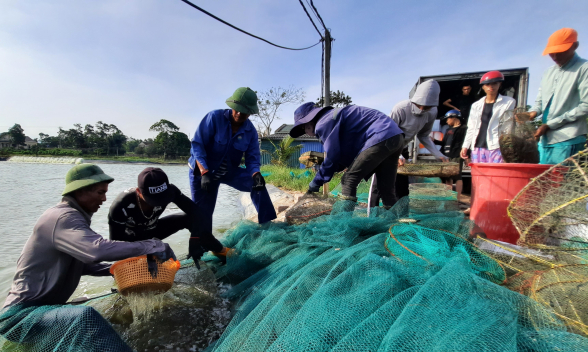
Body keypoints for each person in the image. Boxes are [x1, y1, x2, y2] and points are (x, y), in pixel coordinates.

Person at [2, 163, 175, 352]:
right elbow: (96, 249)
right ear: (80, 191)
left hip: (44, 313)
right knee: (84, 317)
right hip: (22, 317)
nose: (104, 199)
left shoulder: (74, 217)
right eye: (100, 192)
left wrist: (121, 271)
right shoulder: (63, 217)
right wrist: (152, 245)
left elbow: (85, 265)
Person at [189, 87, 277, 232]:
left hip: (228, 171)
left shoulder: (251, 132)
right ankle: (200, 246)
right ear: (231, 107)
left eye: (244, 112)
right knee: (202, 213)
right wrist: (204, 172)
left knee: (258, 186)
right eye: (236, 109)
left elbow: (253, 157)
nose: (239, 114)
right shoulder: (214, 118)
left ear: (251, 112)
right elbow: (197, 145)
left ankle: (268, 226)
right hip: (203, 173)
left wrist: (256, 174)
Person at [289, 102, 404, 208]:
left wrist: (317, 181)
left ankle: (346, 222)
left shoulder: (323, 123)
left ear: (309, 121)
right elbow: (342, 154)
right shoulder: (334, 116)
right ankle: (393, 223)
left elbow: (332, 156)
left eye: (304, 128)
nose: (307, 133)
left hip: (380, 136)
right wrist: (335, 168)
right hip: (396, 137)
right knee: (386, 189)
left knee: (349, 179)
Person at [109, 167, 231, 266]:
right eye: (152, 201)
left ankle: (219, 250)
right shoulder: (122, 205)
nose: (158, 204)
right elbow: (115, 245)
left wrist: (194, 240)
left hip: (152, 231)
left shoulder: (171, 191)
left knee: (188, 219)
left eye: (162, 199)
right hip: (131, 240)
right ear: (139, 192)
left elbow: (197, 213)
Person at [369, 80, 448, 208]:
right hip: (385, 147)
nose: (422, 109)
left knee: (401, 185)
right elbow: (388, 134)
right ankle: (372, 214)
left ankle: (402, 215)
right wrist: (397, 156)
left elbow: (423, 135)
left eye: (426, 107)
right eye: (419, 105)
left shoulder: (432, 112)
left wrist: (438, 155)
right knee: (379, 184)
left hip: (402, 148)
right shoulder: (401, 108)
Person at [528, 28, 588, 165]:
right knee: (541, 183)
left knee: (561, 183)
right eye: (551, 53)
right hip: (545, 140)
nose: (555, 56)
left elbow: (585, 105)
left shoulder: (584, 68)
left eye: (560, 52)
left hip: (568, 139)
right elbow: (540, 102)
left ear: (575, 46)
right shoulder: (548, 72)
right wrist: (534, 112)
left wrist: (550, 125)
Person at [460, 71, 517, 163]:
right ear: (483, 86)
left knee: (496, 174)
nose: (491, 86)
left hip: (496, 146)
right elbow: (471, 127)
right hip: (477, 146)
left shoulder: (508, 102)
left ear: (500, 84)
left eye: (495, 83)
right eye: (487, 84)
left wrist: (507, 146)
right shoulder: (476, 105)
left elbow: (507, 126)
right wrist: (465, 146)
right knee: (479, 175)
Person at [434, 110, 467, 199]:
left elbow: (466, 143)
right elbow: (444, 143)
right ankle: (448, 197)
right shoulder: (448, 130)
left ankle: (458, 198)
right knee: (447, 177)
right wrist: (434, 141)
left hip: (456, 155)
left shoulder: (463, 129)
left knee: (457, 177)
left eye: (448, 119)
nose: (447, 121)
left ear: (453, 117)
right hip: (446, 156)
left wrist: (468, 156)